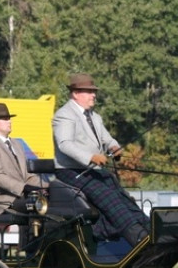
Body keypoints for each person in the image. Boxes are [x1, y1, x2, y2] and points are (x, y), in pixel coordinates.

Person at [52, 73, 150, 246]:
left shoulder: (95, 117)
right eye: (89, 92)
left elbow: (107, 139)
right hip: (70, 171)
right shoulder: (64, 115)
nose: (94, 95)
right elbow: (64, 144)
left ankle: (148, 228)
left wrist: (114, 147)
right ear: (75, 93)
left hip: (92, 171)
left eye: (93, 91)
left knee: (121, 195)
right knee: (107, 196)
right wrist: (91, 157)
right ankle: (138, 238)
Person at [0, 103, 43, 219]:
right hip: (3, 202)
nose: (9, 121)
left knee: (52, 203)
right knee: (39, 207)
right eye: (5, 119)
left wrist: (48, 186)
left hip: (22, 199)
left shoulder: (16, 144)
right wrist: (23, 188)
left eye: (9, 119)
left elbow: (26, 175)